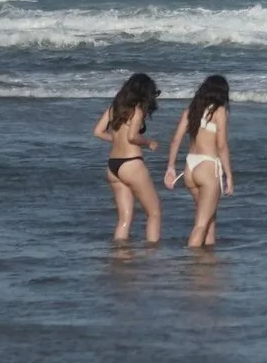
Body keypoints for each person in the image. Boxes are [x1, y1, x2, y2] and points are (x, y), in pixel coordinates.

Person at [163, 75, 233, 247]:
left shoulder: (191, 112)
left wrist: (170, 167)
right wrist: (229, 175)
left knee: (209, 217)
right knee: (201, 224)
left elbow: (175, 140)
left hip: (190, 168)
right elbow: (222, 146)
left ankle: (207, 260)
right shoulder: (219, 111)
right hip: (208, 167)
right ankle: (191, 263)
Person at [91, 72, 161, 243]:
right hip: (131, 163)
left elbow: (98, 132)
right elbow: (132, 137)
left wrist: (115, 139)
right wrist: (148, 142)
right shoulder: (136, 111)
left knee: (124, 219)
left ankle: (119, 255)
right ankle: (152, 253)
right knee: (154, 213)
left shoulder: (114, 108)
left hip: (113, 165)